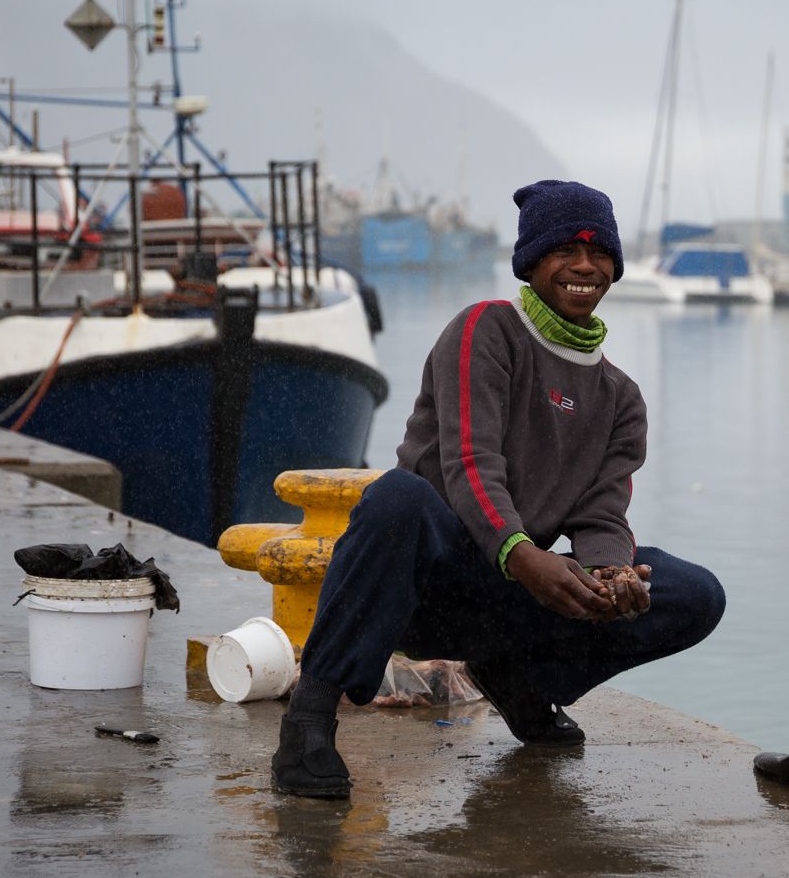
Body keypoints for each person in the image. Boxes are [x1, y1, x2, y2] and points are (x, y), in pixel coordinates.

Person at [272, 180, 727, 798]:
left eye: (600, 255)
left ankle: (520, 679)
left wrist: (612, 576)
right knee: (395, 498)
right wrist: (521, 554)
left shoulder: (620, 398)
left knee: (692, 592)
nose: (585, 267)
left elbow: (601, 511)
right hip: (423, 585)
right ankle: (310, 719)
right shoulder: (486, 330)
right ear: (532, 261)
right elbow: (469, 463)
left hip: (514, 593)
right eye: (565, 250)